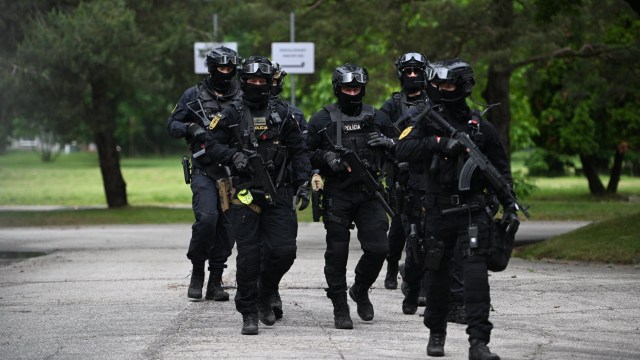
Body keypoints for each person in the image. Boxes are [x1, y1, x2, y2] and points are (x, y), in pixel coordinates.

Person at [395, 59, 519, 360]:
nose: (440, 90)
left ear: (462, 87)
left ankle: (479, 342)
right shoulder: (425, 120)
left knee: (475, 279)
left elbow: (500, 170)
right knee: (436, 278)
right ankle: (436, 333)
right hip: (437, 211)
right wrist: (439, 143)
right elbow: (402, 150)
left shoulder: (480, 127)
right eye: (436, 85)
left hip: (473, 211)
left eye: (447, 85)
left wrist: (509, 205)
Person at [204, 56, 312, 335]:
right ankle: (248, 311)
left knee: (284, 251)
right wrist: (234, 155)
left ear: (268, 83)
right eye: (251, 80)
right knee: (249, 256)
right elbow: (211, 145)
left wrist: (304, 183)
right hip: (245, 194)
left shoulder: (284, 113)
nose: (257, 85)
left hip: (279, 191)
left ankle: (267, 291)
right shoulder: (231, 114)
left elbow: (299, 150)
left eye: (262, 81)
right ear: (244, 81)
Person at [306, 64, 395, 329]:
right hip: (338, 193)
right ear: (338, 89)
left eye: (357, 88)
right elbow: (305, 154)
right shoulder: (321, 120)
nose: (353, 93)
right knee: (337, 252)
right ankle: (339, 305)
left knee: (380, 248)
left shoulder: (377, 117)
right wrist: (327, 157)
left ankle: (360, 288)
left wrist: (388, 144)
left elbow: (403, 149)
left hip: (369, 193)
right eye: (348, 88)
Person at [383, 54, 467, 322]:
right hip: (412, 181)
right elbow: (398, 143)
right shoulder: (408, 111)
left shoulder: (459, 114)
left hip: (448, 185)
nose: (411, 76)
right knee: (411, 236)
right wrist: (434, 142)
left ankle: (454, 299)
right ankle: (407, 281)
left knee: (450, 245)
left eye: (415, 72)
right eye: (406, 72)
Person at [166, 46, 240, 302]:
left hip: (233, 171)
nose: (225, 72)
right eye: (221, 67)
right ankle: (198, 270)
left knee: (228, 228)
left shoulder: (241, 95)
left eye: (230, 68)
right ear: (211, 68)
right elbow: (172, 125)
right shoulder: (193, 95)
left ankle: (216, 280)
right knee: (207, 219)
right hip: (204, 169)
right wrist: (191, 127)